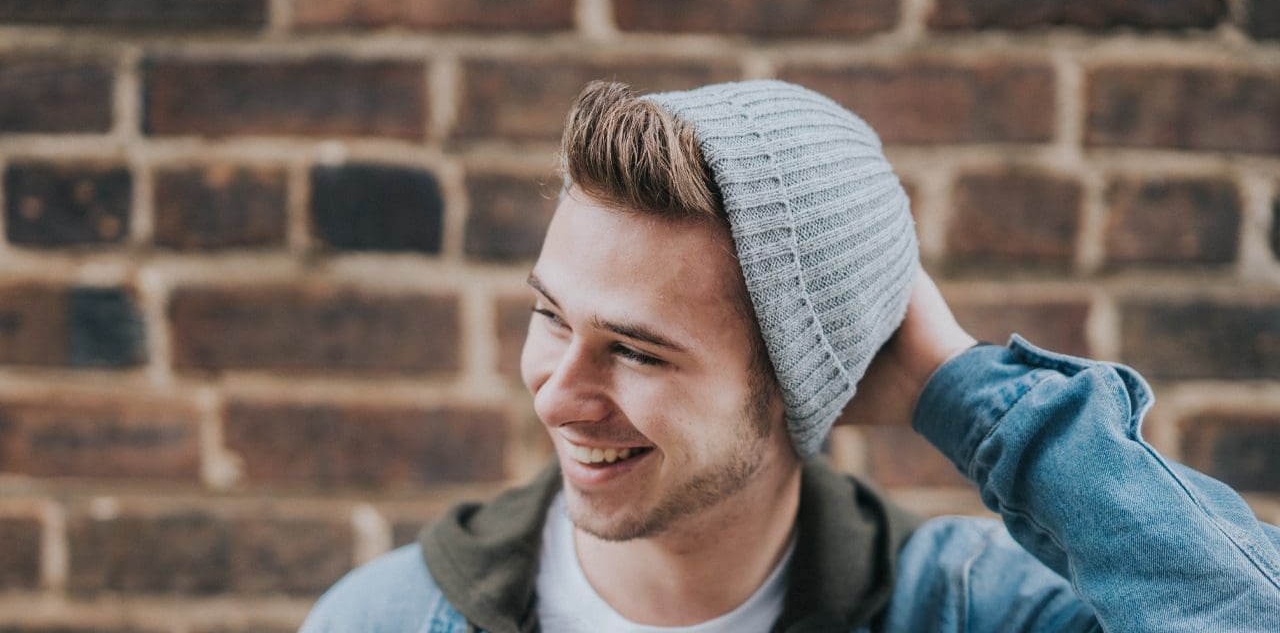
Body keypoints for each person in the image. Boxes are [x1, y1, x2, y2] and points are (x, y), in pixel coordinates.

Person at [301, 80, 1280, 632]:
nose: (558, 395)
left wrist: (957, 384)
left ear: (795, 382)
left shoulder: (968, 611)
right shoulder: (387, 617)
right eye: (551, 317)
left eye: (636, 352)